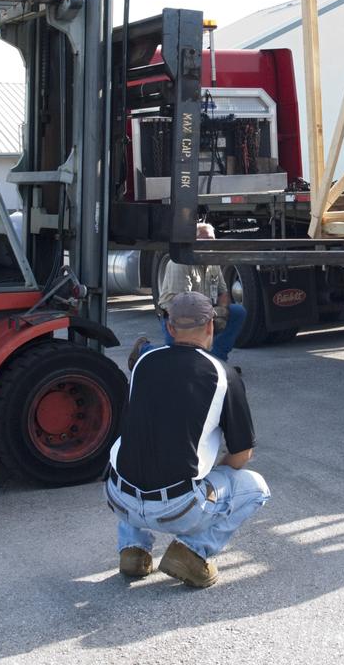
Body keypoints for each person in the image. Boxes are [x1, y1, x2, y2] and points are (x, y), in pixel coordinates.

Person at [106, 291, 271, 588]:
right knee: (256, 487)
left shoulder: (144, 362)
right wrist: (210, 478)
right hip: (176, 509)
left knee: (134, 445)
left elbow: (129, 425)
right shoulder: (223, 374)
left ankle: (133, 550)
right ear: (210, 326)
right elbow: (242, 454)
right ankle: (192, 552)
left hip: (119, 499)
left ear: (170, 328)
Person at [126, 222, 246, 370]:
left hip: (204, 313)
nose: (210, 244)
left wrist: (222, 310)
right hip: (177, 316)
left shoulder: (212, 262)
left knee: (237, 312)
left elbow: (223, 292)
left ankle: (217, 361)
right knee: (179, 364)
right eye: (205, 240)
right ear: (193, 242)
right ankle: (144, 350)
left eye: (212, 239)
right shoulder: (181, 263)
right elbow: (182, 305)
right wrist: (211, 315)